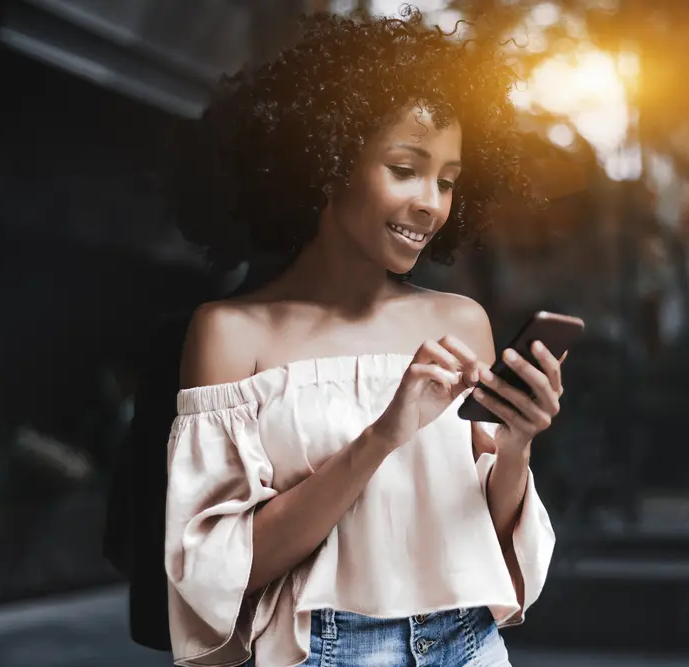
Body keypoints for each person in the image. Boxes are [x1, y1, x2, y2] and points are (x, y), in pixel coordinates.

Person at [164, 8, 562, 667]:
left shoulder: (461, 323)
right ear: (326, 161)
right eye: (404, 168)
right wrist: (382, 435)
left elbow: (485, 536)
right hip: (322, 652)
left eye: (447, 180)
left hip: (469, 647)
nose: (431, 204)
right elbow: (219, 570)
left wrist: (517, 445)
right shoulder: (231, 335)